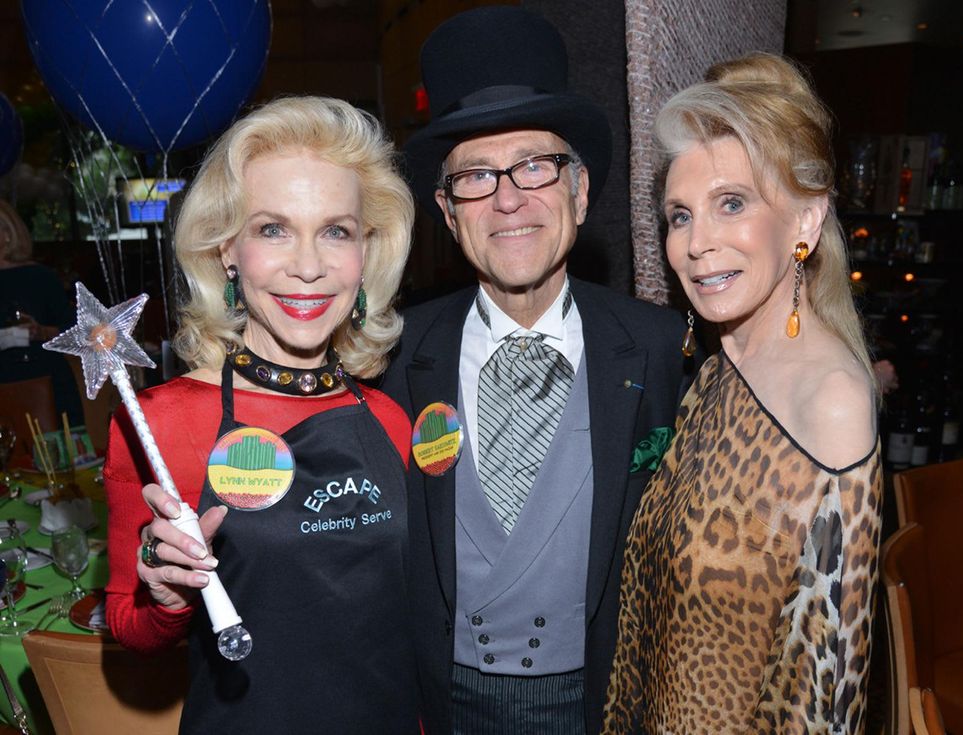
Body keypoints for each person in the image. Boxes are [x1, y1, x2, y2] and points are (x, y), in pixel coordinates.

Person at [382, 7, 694, 734]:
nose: (508, 197)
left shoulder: (657, 344)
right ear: (447, 212)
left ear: (580, 193)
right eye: (476, 176)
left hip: (606, 702)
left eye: (534, 165)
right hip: (442, 705)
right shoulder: (394, 353)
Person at [103, 97, 419, 733]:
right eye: (273, 229)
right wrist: (166, 598)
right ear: (227, 252)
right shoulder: (160, 425)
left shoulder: (391, 420)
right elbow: (130, 629)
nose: (308, 266)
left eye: (337, 230)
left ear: (366, 254)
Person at [602, 53, 882, 733]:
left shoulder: (831, 401)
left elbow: (825, 697)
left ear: (806, 222)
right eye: (679, 215)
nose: (697, 244)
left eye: (732, 203)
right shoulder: (720, 364)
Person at [0, 199, 84, 427]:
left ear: (8, 234)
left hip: (47, 384)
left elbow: (77, 332)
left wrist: (41, 332)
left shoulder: (39, 278)